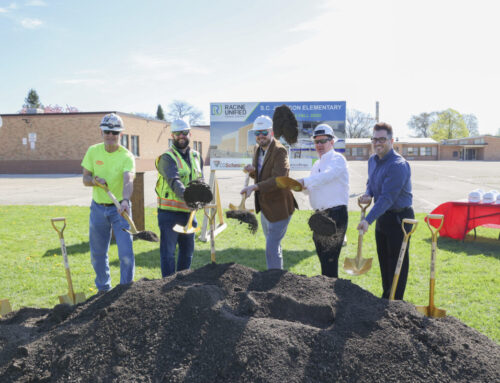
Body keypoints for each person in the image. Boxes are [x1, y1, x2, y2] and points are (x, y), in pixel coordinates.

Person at [357, 122, 414, 300]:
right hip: (383, 216)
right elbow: (371, 183)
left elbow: (388, 198)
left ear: (391, 140)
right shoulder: (373, 160)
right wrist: (367, 194)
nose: (378, 143)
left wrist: (368, 220)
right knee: (384, 260)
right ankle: (386, 298)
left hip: (400, 218)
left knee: (398, 263)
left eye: (382, 139)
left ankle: (396, 303)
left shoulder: (398, 165)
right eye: (375, 139)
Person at [81, 113, 135, 292]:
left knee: (126, 254)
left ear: (120, 134)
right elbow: (85, 178)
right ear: (101, 132)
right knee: (97, 255)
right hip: (98, 208)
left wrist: (125, 200)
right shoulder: (93, 151)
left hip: (120, 208)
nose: (111, 136)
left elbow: (128, 180)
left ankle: (124, 293)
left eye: (115, 132)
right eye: (107, 132)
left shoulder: (126, 156)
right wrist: (95, 181)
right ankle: (103, 290)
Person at [241, 115, 297, 269]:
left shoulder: (280, 151)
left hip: (280, 207)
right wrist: (252, 172)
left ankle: (272, 282)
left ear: (271, 132)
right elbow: (261, 175)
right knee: (273, 244)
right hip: (265, 206)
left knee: (271, 247)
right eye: (257, 133)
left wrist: (255, 187)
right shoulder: (258, 150)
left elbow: (280, 178)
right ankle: (277, 277)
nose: (260, 136)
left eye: (264, 133)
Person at [298, 124, 349, 278]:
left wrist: (304, 181)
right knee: (323, 259)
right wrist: (299, 187)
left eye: (323, 141)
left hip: (335, 215)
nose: (319, 145)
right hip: (319, 217)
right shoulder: (316, 164)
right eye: (316, 142)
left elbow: (327, 176)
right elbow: (311, 188)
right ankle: (326, 296)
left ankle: (331, 299)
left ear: (332, 142)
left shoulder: (338, 159)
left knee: (330, 262)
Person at [156, 119, 203, 277]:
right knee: (168, 254)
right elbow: (174, 181)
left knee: (187, 252)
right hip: (169, 214)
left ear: (190, 133)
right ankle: (168, 288)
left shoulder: (197, 156)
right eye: (177, 133)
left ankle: (181, 285)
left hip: (190, 214)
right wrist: (189, 199)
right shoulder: (167, 158)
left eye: (184, 132)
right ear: (172, 136)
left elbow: (199, 181)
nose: (181, 136)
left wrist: (201, 197)